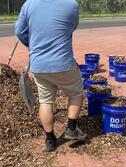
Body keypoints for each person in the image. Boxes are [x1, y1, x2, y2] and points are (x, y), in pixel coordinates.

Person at [15, 0, 87, 152]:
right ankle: (71, 128)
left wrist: (33, 46)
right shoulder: (71, 5)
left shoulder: (29, 4)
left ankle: (50, 140)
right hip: (64, 64)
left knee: (46, 101)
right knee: (76, 93)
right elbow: (70, 27)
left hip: (39, 65)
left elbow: (19, 31)